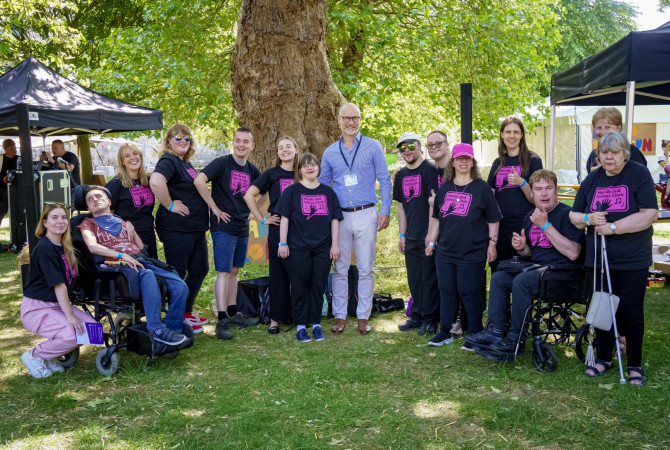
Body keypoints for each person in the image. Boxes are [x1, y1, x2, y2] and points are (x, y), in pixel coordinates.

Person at [570, 131, 657, 386]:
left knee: (631, 310)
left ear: (625, 154)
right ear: (598, 155)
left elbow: (649, 213)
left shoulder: (638, 174)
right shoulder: (592, 180)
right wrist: (588, 219)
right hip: (598, 257)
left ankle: (635, 364)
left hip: (632, 258)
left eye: (615, 152)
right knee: (602, 308)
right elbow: (574, 216)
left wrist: (614, 227)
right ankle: (604, 357)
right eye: (604, 152)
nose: (609, 157)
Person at [466, 170, 584, 356]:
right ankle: (495, 332)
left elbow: (573, 253)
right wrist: (522, 248)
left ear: (555, 191)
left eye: (548, 188)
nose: (544, 193)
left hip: (563, 276)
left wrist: (545, 226)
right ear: (532, 193)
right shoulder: (530, 216)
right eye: (538, 189)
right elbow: (534, 253)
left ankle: (515, 340)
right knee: (499, 277)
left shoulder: (567, 215)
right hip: (537, 272)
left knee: (522, 280)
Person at [78, 186, 189, 346]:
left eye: (99, 196)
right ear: (88, 208)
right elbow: (92, 247)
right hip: (115, 265)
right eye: (90, 199)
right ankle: (156, 329)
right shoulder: (87, 223)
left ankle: (172, 330)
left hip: (140, 260)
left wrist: (131, 227)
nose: (95, 200)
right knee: (147, 274)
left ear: (109, 202)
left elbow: (140, 246)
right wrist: (122, 255)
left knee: (180, 285)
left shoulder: (121, 221)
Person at [319, 102, 392, 335]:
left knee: (366, 268)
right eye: (346, 118)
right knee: (339, 268)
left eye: (355, 118)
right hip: (340, 217)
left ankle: (363, 315)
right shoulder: (330, 151)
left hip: (367, 213)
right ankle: (340, 316)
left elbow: (385, 179)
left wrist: (385, 210)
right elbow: (322, 186)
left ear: (360, 120)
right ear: (339, 120)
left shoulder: (373, 146)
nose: (351, 122)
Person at [425, 143, 502, 347]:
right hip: (446, 252)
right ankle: (445, 331)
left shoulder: (482, 188)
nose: (463, 162)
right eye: (460, 159)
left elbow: (493, 219)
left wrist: (492, 244)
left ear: (472, 161)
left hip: (472, 251)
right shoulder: (445, 188)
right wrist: (432, 241)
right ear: (453, 162)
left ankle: (475, 333)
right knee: (447, 291)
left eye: (467, 158)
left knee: (469, 292)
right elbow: (438, 219)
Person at [195, 127, 261, 340]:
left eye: (246, 142)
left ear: (252, 146)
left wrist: (254, 210)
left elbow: (264, 190)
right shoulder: (223, 162)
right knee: (223, 272)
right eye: (238, 140)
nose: (241, 145)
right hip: (223, 226)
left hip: (242, 226)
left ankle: (233, 313)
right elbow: (199, 180)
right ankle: (221, 319)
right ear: (233, 142)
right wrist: (214, 208)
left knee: (234, 271)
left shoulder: (252, 170)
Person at [20, 203, 97, 378]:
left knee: (92, 331)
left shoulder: (65, 246)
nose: (60, 221)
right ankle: (35, 356)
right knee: (74, 333)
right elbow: (59, 285)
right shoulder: (44, 248)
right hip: (37, 308)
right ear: (45, 222)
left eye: (64, 217)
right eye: (54, 218)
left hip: (56, 304)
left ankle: (51, 356)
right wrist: (70, 316)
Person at [276, 153, 342, 342]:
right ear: (300, 170)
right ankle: (301, 326)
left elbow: (335, 220)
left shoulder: (328, 192)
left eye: (313, 164)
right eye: (305, 166)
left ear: (319, 168)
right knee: (299, 286)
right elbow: (285, 218)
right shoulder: (292, 191)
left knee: (318, 286)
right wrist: (283, 243)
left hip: (323, 248)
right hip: (297, 248)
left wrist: (335, 245)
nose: (310, 168)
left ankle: (316, 324)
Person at [150, 124, 210, 333]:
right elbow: (156, 182)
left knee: (200, 269)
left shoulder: (185, 163)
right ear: (169, 141)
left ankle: (185, 312)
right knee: (178, 274)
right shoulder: (169, 160)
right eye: (178, 137)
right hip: (177, 229)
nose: (183, 141)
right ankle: (175, 320)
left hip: (194, 228)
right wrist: (170, 204)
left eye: (187, 138)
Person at [244, 136, 298, 334]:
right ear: (277, 153)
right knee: (278, 274)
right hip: (277, 228)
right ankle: (275, 319)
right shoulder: (271, 174)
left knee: (299, 273)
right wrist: (261, 218)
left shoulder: (302, 172)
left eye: (288, 146)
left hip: (300, 230)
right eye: (280, 148)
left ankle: (299, 315)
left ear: (296, 149)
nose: (284, 150)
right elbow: (249, 195)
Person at [393, 132, 439, 335]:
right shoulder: (401, 175)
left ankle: (430, 319)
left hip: (426, 234)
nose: (407, 151)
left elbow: (433, 204)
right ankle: (417, 316)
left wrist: (431, 235)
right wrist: (402, 235)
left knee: (428, 278)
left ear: (419, 146)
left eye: (410, 146)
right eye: (402, 148)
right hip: (410, 235)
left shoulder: (429, 169)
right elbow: (401, 207)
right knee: (414, 278)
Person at [487, 116, 543, 273]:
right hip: (500, 228)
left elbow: (536, 198)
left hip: (523, 227)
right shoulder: (498, 163)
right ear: (502, 135)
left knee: (521, 276)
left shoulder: (533, 160)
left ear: (522, 135)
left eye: (516, 132)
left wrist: (522, 182)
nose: (512, 136)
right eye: (508, 132)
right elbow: (489, 196)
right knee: (499, 273)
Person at [106, 143, 157, 258]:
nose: (133, 158)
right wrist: (124, 224)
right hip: (128, 239)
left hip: (149, 235)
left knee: (154, 272)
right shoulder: (114, 185)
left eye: (135, 154)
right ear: (122, 161)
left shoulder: (149, 181)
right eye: (127, 156)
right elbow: (107, 216)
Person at [585, 107, 647, 174]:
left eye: (607, 127)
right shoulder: (593, 155)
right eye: (599, 128)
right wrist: (593, 177)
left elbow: (639, 179)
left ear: (618, 128)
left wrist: (603, 173)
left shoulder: (631, 152)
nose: (602, 132)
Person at [1, 139, 18, 227]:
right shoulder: (0, 159)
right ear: (5, 149)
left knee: (18, 214)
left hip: (17, 191)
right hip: (2, 191)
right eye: (11, 148)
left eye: (15, 147)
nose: (14, 150)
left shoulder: (19, 159)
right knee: (1, 214)